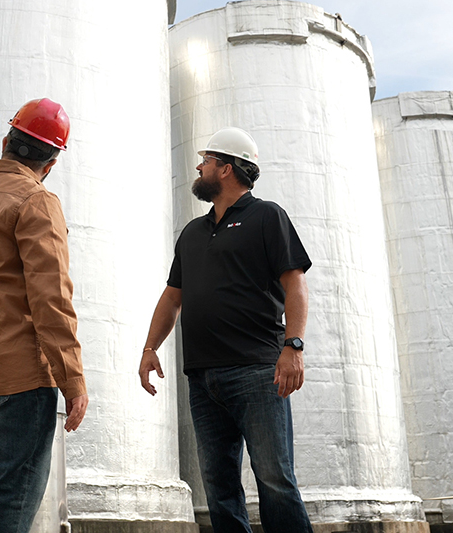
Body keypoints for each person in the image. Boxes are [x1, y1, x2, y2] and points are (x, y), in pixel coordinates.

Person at [139, 127, 313, 532]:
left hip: (257, 371)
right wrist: (150, 348)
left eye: (207, 161)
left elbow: (295, 284)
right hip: (203, 378)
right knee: (218, 487)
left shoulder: (267, 216)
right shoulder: (193, 233)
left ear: (227, 169)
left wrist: (294, 345)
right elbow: (171, 298)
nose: (199, 166)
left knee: (274, 480)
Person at [0, 98, 88, 532]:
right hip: (22, 380)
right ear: (52, 163)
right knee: (8, 505)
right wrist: (73, 379)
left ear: (10, 141)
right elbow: (52, 301)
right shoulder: (36, 202)